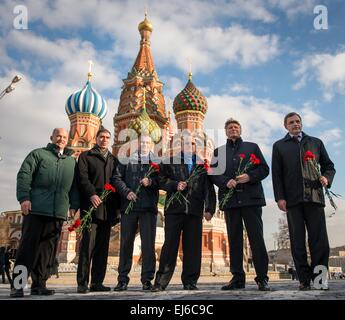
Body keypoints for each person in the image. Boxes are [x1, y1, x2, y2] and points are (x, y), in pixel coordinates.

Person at [11, 128, 79, 298]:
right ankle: (17, 286)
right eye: (58, 136)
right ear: (51, 137)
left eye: (64, 137)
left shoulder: (71, 162)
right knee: (27, 248)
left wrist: (73, 205)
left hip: (57, 212)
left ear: (68, 139)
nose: (61, 139)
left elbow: (74, 187)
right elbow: (24, 175)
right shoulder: (38, 155)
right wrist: (24, 197)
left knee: (47, 251)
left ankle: (39, 284)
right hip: (36, 209)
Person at [272, 112, 335, 290]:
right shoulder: (279, 146)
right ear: (286, 126)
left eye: (298, 121)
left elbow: (329, 166)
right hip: (292, 201)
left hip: (314, 197)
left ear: (301, 123)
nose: (295, 124)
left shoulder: (316, 142)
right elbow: (277, 175)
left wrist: (326, 178)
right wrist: (280, 197)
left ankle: (320, 279)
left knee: (320, 242)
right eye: (291, 122)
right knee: (297, 241)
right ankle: (304, 279)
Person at [211, 118, 271, 291]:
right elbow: (213, 174)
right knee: (234, 240)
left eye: (236, 127)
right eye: (230, 127)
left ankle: (262, 278)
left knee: (256, 238)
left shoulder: (252, 147)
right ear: (225, 132)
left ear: (240, 130)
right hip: (230, 201)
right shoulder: (219, 152)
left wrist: (249, 177)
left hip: (251, 200)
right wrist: (225, 181)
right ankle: (237, 278)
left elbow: (264, 169)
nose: (233, 129)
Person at [151, 133, 216, 291]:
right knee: (169, 247)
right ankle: (160, 282)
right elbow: (160, 180)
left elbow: (208, 188)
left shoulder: (201, 166)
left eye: (193, 144)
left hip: (194, 211)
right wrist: (174, 184)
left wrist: (210, 209)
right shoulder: (170, 162)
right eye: (186, 144)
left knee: (193, 248)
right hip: (174, 210)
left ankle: (190, 281)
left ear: (195, 147)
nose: (189, 146)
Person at [111, 134, 160, 291]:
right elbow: (116, 179)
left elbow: (163, 181)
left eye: (147, 142)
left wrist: (151, 182)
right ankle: (123, 279)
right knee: (126, 244)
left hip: (148, 208)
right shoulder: (126, 160)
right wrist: (127, 192)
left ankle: (147, 279)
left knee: (148, 245)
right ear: (137, 144)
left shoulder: (157, 162)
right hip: (129, 207)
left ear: (151, 145)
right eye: (142, 142)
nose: (144, 144)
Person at [76, 127, 121, 293]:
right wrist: (92, 194)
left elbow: (116, 183)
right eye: (101, 137)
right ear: (96, 138)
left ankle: (97, 282)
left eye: (107, 137)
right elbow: (82, 179)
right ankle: (82, 282)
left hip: (107, 210)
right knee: (87, 246)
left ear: (110, 140)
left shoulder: (114, 160)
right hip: (91, 208)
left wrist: (117, 212)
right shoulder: (86, 156)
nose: (104, 140)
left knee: (102, 248)